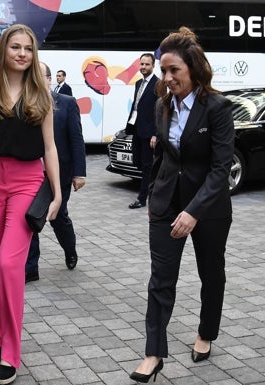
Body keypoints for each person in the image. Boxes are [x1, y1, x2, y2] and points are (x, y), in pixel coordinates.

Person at [130, 27, 234, 383]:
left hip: (208, 209)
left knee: (211, 274)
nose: (168, 77)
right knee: (160, 280)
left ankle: (206, 332)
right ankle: (153, 353)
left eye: (174, 70)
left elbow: (221, 169)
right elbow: (166, 157)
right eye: (164, 70)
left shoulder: (217, 108)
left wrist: (193, 211)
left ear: (193, 68)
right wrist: (155, 195)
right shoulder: (162, 105)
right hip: (166, 205)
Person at [0, 24, 62, 384]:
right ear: (4, 50)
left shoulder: (42, 94)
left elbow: (49, 146)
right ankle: (3, 337)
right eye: (16, 47)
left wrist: (58, 191)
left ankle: (12, 352)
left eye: (29, 49)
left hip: (26, 183)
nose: (22, 53)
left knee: (8, 264)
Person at [25, 62, 86, 281]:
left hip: (59, 172)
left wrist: (79, 172)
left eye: (39, 75)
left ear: (49, 79)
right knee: (30, 216)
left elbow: (76, 139)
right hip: (31, 173)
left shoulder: (66, 103)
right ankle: (31, 268)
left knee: (58, 217)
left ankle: (70, 249)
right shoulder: (24, 103)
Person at [127, 53, 159, 209]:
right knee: (137, 162)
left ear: (153, 66)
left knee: (147, 166)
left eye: (147, 64)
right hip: (137, 129)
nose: (144, 67)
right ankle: (153, 188)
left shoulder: (158, 84)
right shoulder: (138, 83)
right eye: (142, 64)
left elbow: (160, 111)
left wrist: (155, 133)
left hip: (149, 132)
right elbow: (136, 105)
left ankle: (142, 198)